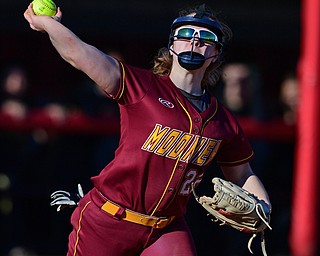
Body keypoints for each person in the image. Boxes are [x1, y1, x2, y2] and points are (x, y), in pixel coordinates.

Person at [24, 3, 271, 256]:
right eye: (186, 34)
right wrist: (48, 23)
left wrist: (263, 207)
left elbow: (241, 174)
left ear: (216, 54)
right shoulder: (142, 86)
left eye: (205, 37)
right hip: (109, 219)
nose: (194, 42)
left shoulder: (223, 120)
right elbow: (79, 53)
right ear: (172, 45)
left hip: (166, 228)